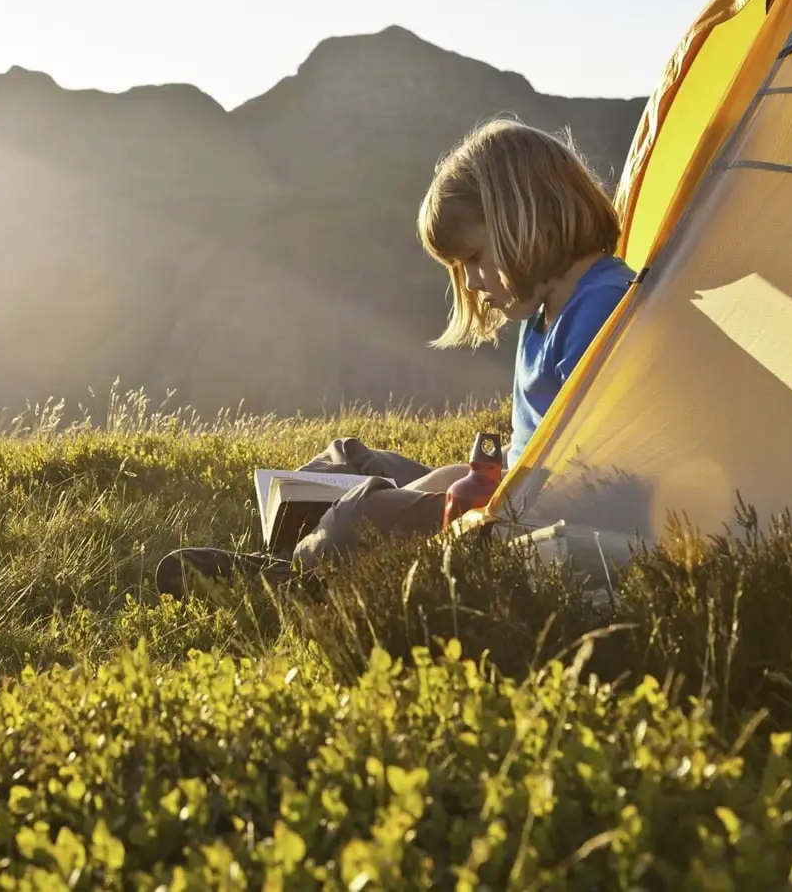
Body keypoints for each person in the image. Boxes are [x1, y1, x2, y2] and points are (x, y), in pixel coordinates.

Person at [155, 117, 634, 597]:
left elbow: (596, 481)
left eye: (473, 257)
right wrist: (431, 488)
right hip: (505, 491)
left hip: (527, 519)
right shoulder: (542, 314)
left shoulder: (601, 308)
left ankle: (285, 574)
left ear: (524, 220)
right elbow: (521, 454)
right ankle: (300, 558)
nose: (470, 284)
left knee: (362, 515)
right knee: (347, 458)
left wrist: (430, 499)